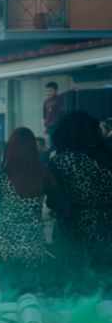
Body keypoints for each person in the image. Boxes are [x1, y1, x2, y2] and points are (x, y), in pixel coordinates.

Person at [0, 127, 68, 323]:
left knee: (7, 294)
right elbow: (59, 204)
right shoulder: (43, 173)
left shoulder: (0, 175)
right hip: (32, 240)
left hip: (5, 238)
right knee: (28, 289)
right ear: (33, 148)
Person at [48, 112, 112, 302]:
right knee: (106, 277)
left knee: (77, 279)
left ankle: (81, 316)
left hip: (76, 227)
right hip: (108, 224)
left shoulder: (61, 160)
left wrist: (62, 210)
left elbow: (53, 199)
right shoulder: (107, 156)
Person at [42, 82, 75, 148]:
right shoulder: (46, 101)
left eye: (50, 91)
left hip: (58, 124)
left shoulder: (59, 98)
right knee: (52, 143)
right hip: (50, 126)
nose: (48, 93)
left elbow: (71, 90)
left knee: (59, 141)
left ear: (56, 90)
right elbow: (45, 115)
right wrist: (46, 127)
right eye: (47, 91)